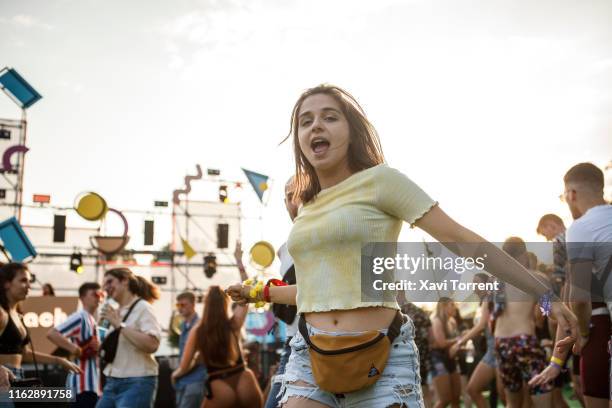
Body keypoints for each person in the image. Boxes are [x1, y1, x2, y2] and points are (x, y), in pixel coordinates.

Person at [227, 84, 578, 408]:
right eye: (306, 121)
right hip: (309, 353)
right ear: (299, 139)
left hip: (381, 355)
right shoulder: (307, 207)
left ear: (351, 132)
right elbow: (318, 291)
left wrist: (545, 295)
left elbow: (464, 240)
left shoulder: (381, 181)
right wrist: (260, 292)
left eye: (329, 117)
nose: (316, 126)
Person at [530, 162, 612, 407]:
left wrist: (544, 310)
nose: (547, 237)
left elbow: (564, 292)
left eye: (546, 231)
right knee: (573, 387)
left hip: (584, 327)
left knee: (574, 388)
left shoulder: (567, 238)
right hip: (580, 326)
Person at [0, 263, 81, 407]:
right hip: (3, 380)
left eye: (29, 281)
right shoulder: (1, 313)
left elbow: (23, 354)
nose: (28, 286)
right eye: (23, 280)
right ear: (7, 283)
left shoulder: (17, 314)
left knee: (62, 397)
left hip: (18, 377)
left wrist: (59, 360)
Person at [173, 286, 263, 408]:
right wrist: (239, 285)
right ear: (225, 304)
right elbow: (246, 298)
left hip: (219, 384)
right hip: (244, 378)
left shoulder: (197, 331)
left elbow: (184, 367)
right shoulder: (233, 324)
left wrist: (174, 375)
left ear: (206, 305)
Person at [493, 237, 553, 408]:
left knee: (512, 403)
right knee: (541, 397)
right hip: (524, 340)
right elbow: (546, 312)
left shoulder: (497, 281)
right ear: (525, 254)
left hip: (501, 342)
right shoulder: (538, 278)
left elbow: (496, 313)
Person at [96, 268, 162, 408]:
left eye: (110, 282)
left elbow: (152, 345)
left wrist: (119, 325)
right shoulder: (114, 311)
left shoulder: (144, 308)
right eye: (105, 284)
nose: (106, 287)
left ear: (125, 280)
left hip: (137, 382)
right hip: (112, 381)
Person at [264, 177, 300, 408]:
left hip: (331, 341)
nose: (294, 201)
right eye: (288, 196)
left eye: (299, 193)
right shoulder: (283, 250)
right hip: (294, 343)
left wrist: (262, 294)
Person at [450, 274, 503, 408]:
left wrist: (459, 342)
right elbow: (482, 326)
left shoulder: (489, 299)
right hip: (491, 351)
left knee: (506, 397)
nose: (474, 286)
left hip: (498, 350)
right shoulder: (483, 302)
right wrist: (467, 334)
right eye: (473, 283)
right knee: (473, 389)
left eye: (477, 282)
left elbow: (481, 326)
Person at [47, 282, 103, 408]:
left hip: (90, 385)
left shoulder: (91, 319)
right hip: (81, 386)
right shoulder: (80, 317)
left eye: (100, 294)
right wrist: (77, 350)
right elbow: (52, 333)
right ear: (82, 297)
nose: (98, 297)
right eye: (94, 294)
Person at [397, 291, 433, 408]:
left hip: (402, 359)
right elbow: (432, 338)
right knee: (424, 391)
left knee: (404, 393)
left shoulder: (395, 314)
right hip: (421, 358)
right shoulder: (420, 312)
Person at [172, 291, 206, 408]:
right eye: (178, 305)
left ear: (193, 304)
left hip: (196, 379)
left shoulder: (200, 325)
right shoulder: (183, 325)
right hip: (183, 380)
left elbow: (198, 357)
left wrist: (177, 373)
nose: (180, 308)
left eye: (183, 305)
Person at [430, 298, 461, 408]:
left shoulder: (452, 321)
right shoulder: (436, 320)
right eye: (452, 304)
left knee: (456, 397)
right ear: (443, 306)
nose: (455, 307)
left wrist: (459, 343)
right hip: (438, 360)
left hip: (451, 359)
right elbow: (442, 343)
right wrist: (460, 338)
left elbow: (453, 343)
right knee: (445, 399)